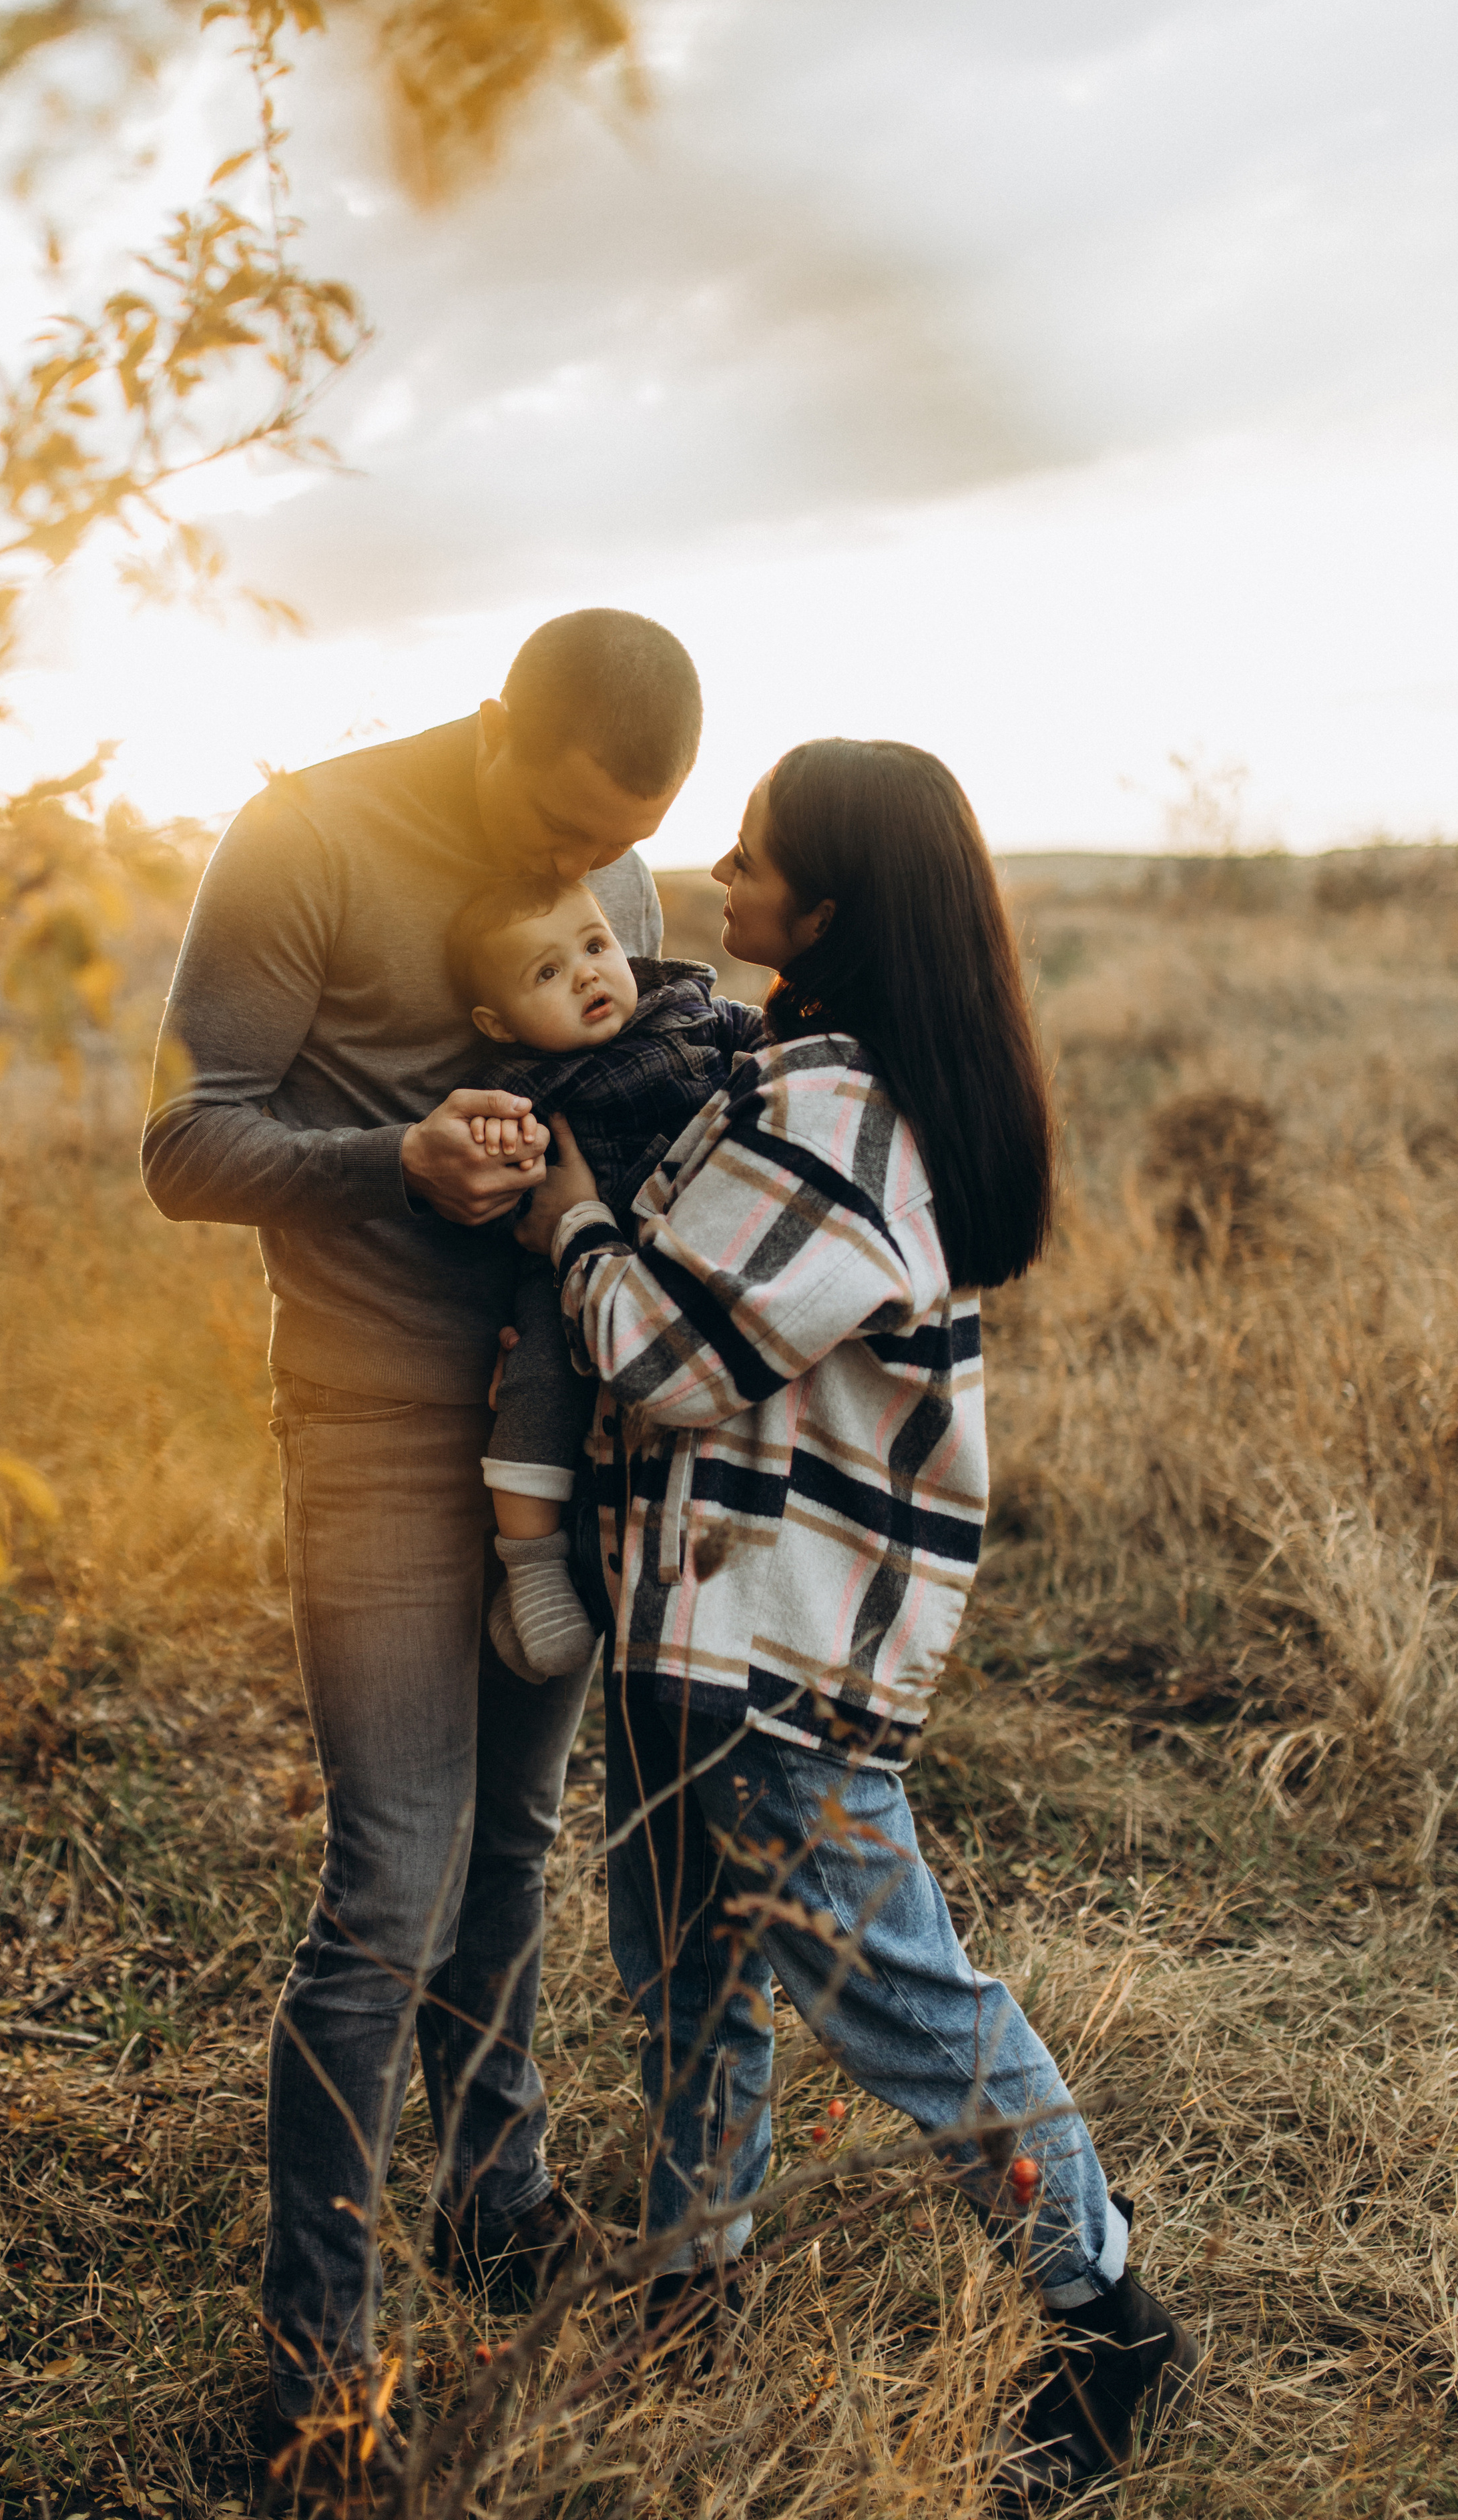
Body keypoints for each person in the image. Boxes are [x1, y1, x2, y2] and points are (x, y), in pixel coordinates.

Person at [515, 737, 1200, 2507]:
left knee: (901, 2002)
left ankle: (1107, 2320)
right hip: (697, 1625)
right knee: (689, 1979)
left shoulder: (834, 1115)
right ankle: (691, 2287)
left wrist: (568, 1216)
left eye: (752, 859)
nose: (718, 877)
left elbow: (662, 1358)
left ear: (828, 907)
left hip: (769, 1647)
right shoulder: (804, 1076)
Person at [140, 609, 702, 2502]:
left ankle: (497, 2191)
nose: (589, 874)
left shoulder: (621, 870)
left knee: (519, 1845)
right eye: (561, 832)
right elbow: (183, 1144)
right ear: (488, 726)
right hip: (376, 1420)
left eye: (618, 849)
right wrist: (393, 1160)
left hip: (570, 1433)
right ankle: (318, 2366)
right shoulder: (301, 838)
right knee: (391, 1880)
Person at [441, 870, 767, 1682]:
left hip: (683, 1260)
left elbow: (775, 1045)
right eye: (547, 972)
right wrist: (507, 1148)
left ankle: (617, 1572)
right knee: (537, 1383)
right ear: (498, 1021)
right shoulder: (516, 1085)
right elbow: (487, 1169)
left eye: (594, 946)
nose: (587, 974)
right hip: (564, 1271)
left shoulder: (686, 1010)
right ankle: (532, 1566)